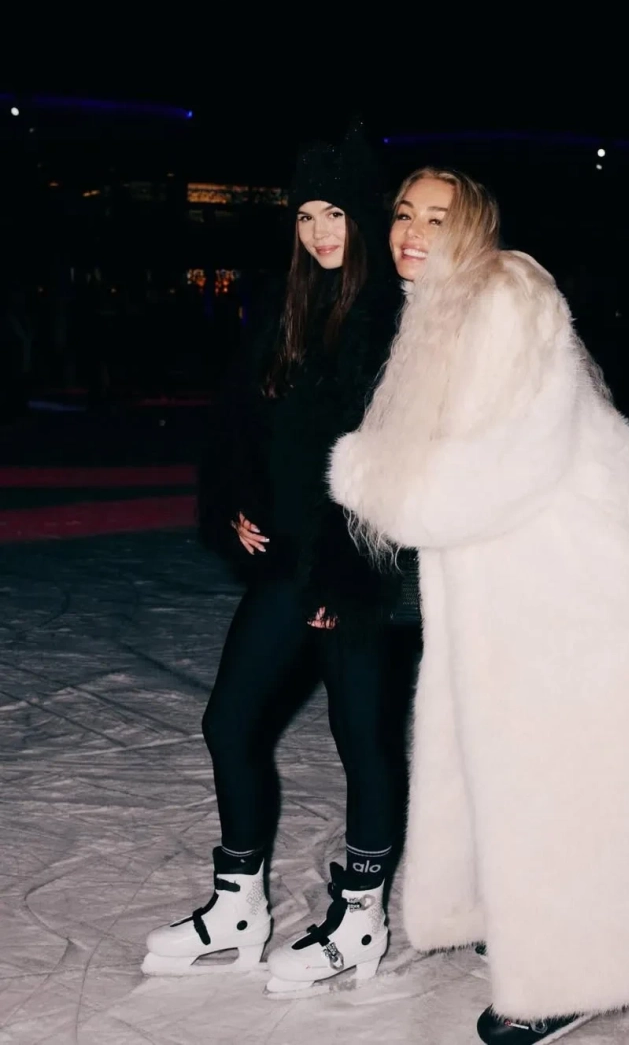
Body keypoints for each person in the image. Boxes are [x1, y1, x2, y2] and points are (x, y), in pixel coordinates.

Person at [329, 168, 629, 1042]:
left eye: (437, 217)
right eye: (404, 213)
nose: (413, 231)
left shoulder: (505, 297)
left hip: (572, 577)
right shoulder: (443, 305)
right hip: (521, 568)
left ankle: (572, 970)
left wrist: (368, 479)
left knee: (567, 773)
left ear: (473, 226)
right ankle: (535, 920)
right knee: (525, 760)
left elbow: (502, 465)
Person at [143, 123, 419, 995]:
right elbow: (245, 426)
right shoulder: (290, 307)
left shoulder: (394, 319)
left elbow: (397, 459)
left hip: (359, 564)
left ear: (364, 216)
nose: (319, 231)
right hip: (289, 557)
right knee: (229, 721)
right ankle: (238, 906)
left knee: (360, 735)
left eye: (335, 213)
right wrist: (236, 499)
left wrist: (351, 568)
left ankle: (362, 918)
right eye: (305, 216)